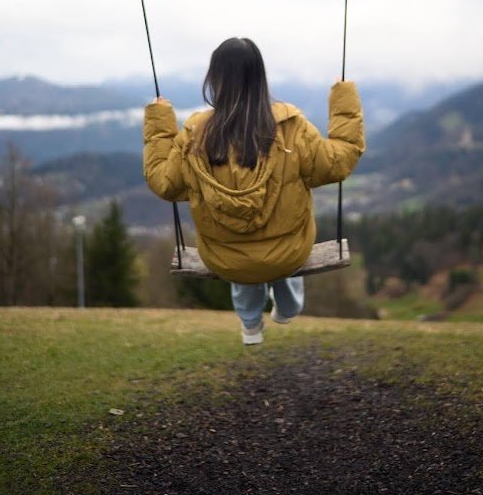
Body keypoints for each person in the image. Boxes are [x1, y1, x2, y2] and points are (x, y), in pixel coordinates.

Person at [143, 37, 365, 344]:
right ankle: (288, 308)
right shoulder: (290, 127)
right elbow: (339, 162)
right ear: (260, 77)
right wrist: (343, 101)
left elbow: (164, 183)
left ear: (215, 79)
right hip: (289, 252)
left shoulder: (195, 137)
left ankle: (250, 325)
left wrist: (159, 123)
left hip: (223, 257)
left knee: (239, 254)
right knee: (278, 254)